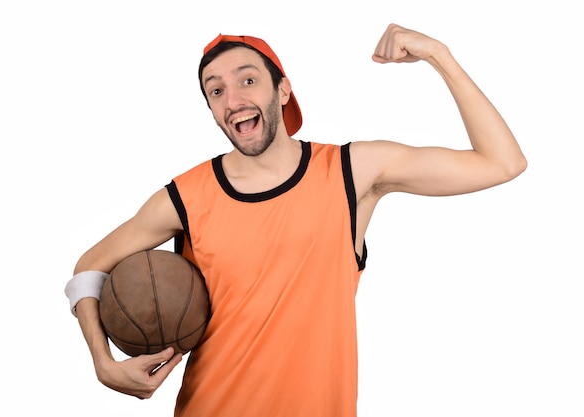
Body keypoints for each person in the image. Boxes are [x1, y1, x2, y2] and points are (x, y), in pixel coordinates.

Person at [65, 23, 527, 416]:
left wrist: (437, 55)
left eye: (248, 80)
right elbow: (89, 266)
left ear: (282, 89)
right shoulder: (186, 196)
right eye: (216, 90)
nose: (232, 99)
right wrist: (103, 363)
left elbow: (502, 162)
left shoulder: (351, 173)